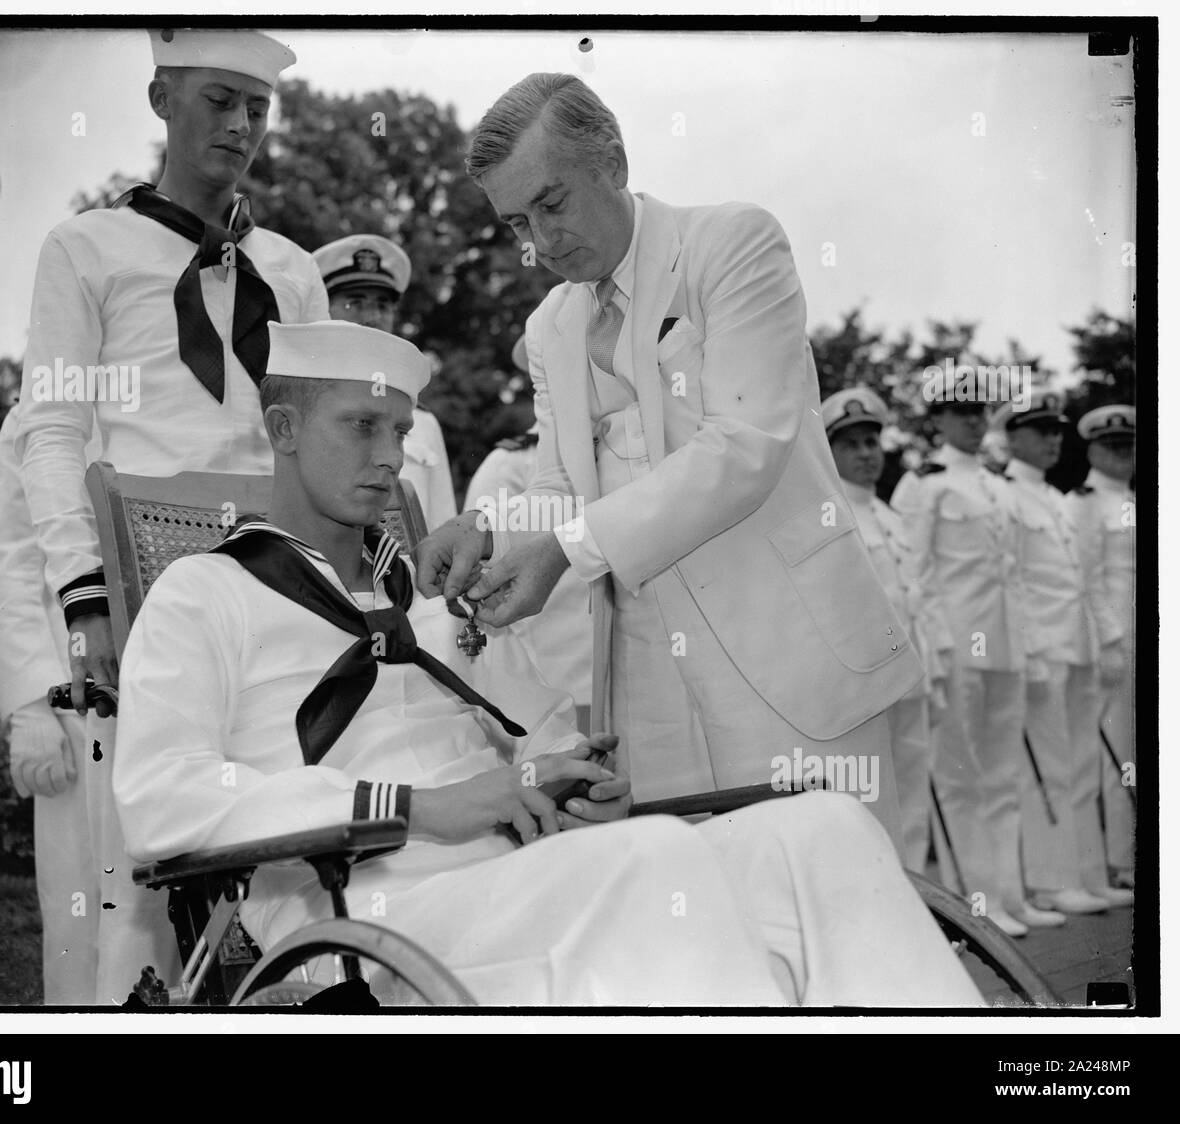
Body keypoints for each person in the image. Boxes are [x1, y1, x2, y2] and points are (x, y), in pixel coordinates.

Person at [113, 320, 982, 1007]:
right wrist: (417, 808)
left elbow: (539, 733)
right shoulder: (205, 593)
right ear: (284, 428)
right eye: (362, 426)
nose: (390, 456)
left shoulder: (430, 601)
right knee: (654, 864)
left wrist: (563, 776)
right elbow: (160, 798)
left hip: (521, 876)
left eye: (401, 431)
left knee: (822, 831)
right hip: (362, 914)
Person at [415, 74, 921, 846]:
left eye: (552, 205)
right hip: (650, 690)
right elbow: (558, 485)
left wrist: (567, 549)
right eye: (518, 221)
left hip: (790, 655)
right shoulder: (550, 325)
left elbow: (743, 446)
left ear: (612, 162)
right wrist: (490, 524)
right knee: (697, 922)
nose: (540, 243)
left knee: (841, 907)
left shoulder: (731, 243)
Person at [14, 28, 326, 1001]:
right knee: (143, 895)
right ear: (160, 97)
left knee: (296, 857)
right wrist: (84, 594)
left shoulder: (293, 268)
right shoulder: (86, 249)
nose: (241, 125)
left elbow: (316, 438)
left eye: (258, 106)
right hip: (149, 597)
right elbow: (52, 432)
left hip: (277, 593)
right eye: (218, 99)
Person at [890, 387, 1058, 937]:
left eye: (979, 412)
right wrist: (933, 650)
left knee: (1004, 777)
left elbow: (1016, 576)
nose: (971, 422)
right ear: (936, 419)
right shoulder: (924, 482)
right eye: (959, 413)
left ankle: (1010, 895)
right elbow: (914, 574)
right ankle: (976, 905)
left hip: (1006, 645)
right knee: (961, 780)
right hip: (958, 646)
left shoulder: (994, 484)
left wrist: (1028, 645)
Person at [0, 407, 102, 1003]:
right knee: (82, 914)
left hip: (183, 686)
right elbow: (7, 570)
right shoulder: (33, 420)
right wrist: (29, 707)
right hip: (72, 710)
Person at [993, 394, 1132, 914]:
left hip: (1076, 647)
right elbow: (1011, 582)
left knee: (1080, 767)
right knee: (1047, 768)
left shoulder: (1054, 497)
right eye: (1041, 430)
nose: (1054, 439)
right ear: (1012, 438)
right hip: (1041, 650)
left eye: (1057, 430)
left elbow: (1079, 580)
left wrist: (1102, 641)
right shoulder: (1005, 495)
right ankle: (1052, 882)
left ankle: (1088, 876)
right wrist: (1026, 650)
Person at [821, 388, 951, 872]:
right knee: (869, 799)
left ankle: (921, 902)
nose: (865, 454)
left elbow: (918, 598)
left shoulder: (894, 518)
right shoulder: (830, 517)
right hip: (867, 687)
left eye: (871, 443)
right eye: (850, 445)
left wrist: (933, 672)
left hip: (911, 680)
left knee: (914, 793)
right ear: (829, 451)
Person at [464, 335, 593, 727]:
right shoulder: (507, 466)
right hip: (554, 687)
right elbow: (483, 588)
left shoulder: (625, 454)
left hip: (633, 673)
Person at [313, 233, 457, 532]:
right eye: (354, 303)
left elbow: (441, 524)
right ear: (322, 309)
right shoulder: (298, 405)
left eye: (382, 305)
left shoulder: (423, 421)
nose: (372, 317)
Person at [1064, 404, 1136, 890]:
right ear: (1091, 450)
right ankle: (1122, 861)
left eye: (1128, 444)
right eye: (1112, 446)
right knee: (1121, 753)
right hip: (1118, 642)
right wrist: (1109, 639)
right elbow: (1083, 578)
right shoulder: (1083, 501)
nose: (1123, 454)